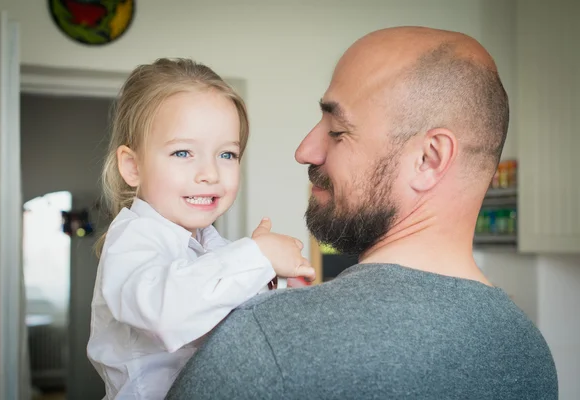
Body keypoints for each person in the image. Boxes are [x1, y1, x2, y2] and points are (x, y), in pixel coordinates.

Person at [166, 27, 558, 399]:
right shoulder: (529, 352)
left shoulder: (263, 344)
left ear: (429, 158)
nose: (305, 151)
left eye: (337, 131)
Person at [86, 58, 315, 400]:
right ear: (132, 167)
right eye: (182, 152)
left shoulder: (213, 246)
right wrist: (257, 256)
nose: (209, 173)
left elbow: (232, 324)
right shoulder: (132, 239)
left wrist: (274, 284)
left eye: (227, 155)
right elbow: (164, 314)